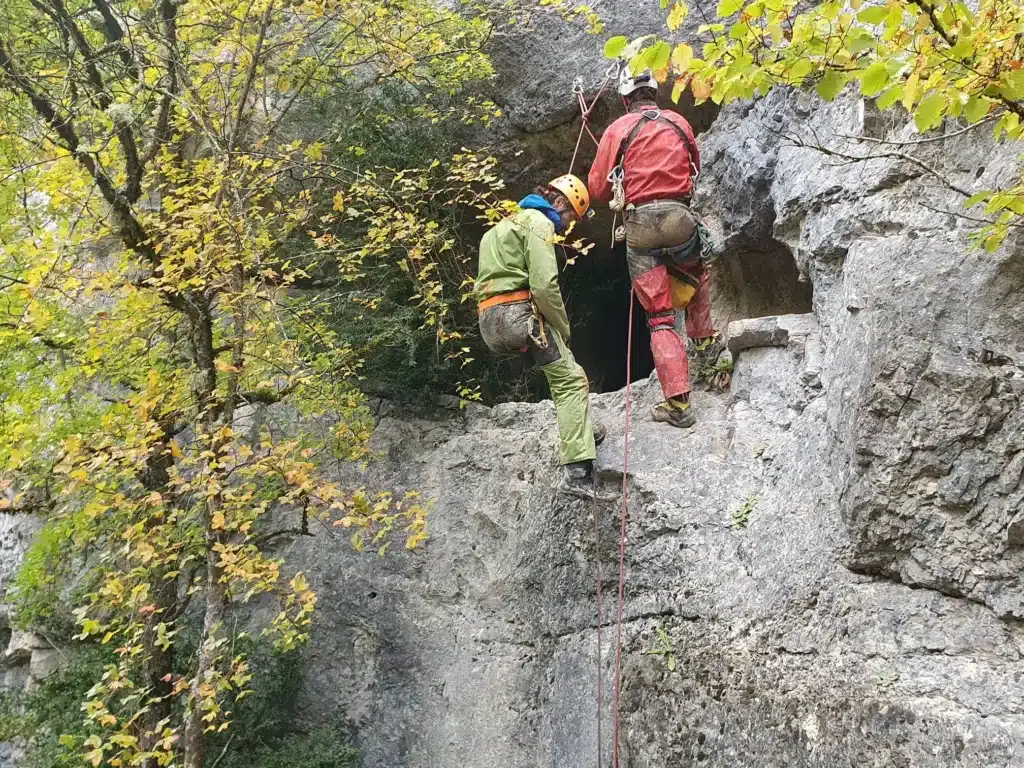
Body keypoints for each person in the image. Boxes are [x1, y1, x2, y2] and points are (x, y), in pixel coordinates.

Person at [588, 66, 722, 429]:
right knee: (698, 277)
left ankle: (679, 405)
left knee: (660, 317)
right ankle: (708, 354)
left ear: (625, 98)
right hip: (680, 218)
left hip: (641, 226)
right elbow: (695, 166)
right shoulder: (678, 122)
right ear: (655, 94)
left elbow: (598, 188)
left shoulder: (617, 129)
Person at [475, 174, 607, 499]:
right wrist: (563, 327)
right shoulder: (538, 222)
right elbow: (544, 286)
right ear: (559, 202)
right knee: (571, 381)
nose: (566, 226)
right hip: (519, 317)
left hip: (489, 324)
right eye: (569, 217)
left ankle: (583, 429)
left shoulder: (497, 230)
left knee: (562, 375)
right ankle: (578, 473)